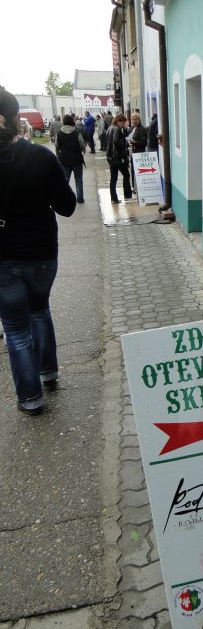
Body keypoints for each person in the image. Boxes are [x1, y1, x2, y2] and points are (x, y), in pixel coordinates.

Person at [0, 87, 76, 414]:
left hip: (4, 260)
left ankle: (31, 399)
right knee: (40, 310)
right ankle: (49, 372)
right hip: (42, 254)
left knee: (16, 330)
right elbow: (67, 207)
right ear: (17, 119)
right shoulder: (40, 157)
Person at [55, 114, 86, 204]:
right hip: (77, 160)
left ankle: (64, 198)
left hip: (64, 160)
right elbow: (82, 145)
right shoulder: (77, 132)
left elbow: (57, 145)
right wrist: (82, 152)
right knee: (79, 180)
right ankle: (80, 198)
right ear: (72, 121)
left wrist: (59, 155)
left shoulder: (59, 133)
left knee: (65, 180)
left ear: (64, 122)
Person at [106, 114, 132, 203]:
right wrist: (126, 144)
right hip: (117, 157)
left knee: (113, 178)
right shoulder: (117, 129)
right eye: (123, 122)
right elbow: (116, 141)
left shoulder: (110, 128)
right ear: (118, 121)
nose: (123, 124)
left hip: (110, 156)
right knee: (126, 175)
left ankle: (113, 198)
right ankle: (127, 195)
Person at [128, 112, 148, 191]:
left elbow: (144, 143)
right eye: (133, 119)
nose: (134, 121)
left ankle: (138, 188)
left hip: (139, 153)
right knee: (133, 171)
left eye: (136, 119)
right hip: (133, 153)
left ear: (139, 120)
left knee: (138, 171)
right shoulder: (133, 128)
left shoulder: (142, 129)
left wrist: (134, 142)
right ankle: (134, 187)